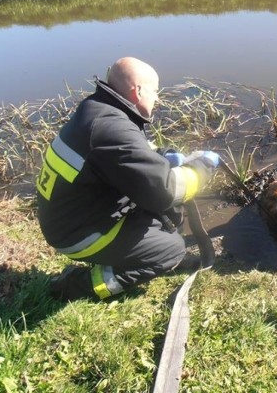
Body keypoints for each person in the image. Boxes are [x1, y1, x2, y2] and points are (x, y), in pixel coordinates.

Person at [36, 57, 220, 301]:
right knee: (171, 250)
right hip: (78, 235)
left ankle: (145, 248)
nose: (158, 98)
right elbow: (164, 191)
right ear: (138, 90)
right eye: (155, 91)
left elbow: (126, 158)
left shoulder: (101, 108)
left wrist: (162, 158)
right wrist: (202, 168)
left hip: (76, 215)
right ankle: (76, 286)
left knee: (164, 208)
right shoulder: (111, 128)